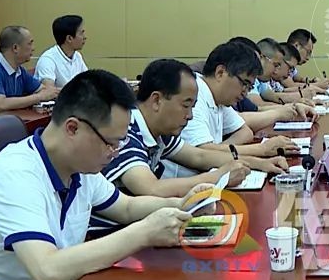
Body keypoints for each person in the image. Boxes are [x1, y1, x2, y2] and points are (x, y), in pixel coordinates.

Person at [0, 70, 213, 280]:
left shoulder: (79, 168)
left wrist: (182, 205)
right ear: (72, 128)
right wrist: (144, 233)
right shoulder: (15, 176)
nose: (115, 153)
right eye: (110, 143)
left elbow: (127, 207)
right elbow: (48, 271)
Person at [90, 60, 253, 234]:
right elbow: (151, 189)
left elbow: (199, 156)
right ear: (156, 100)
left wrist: (258, 162)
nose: (190, 116)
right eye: (185, 106)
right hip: (110, 234)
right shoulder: (126, 132)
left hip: (136, 227)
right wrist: (219, 176)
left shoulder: (160, 132)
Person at [167, 42, 296, 178]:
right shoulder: (194, 93)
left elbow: (244, 131)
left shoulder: (220, 99)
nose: (245, 92)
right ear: (220, 73)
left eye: (249, 87)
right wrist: (261, 150)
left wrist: (219, 151)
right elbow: (201, 154)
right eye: (244, 84)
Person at [35, 14, 89, 88]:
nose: (85, 37)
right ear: (69, 38)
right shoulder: (47, 60)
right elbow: (49, 90)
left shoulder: (77, 56)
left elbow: (88, 82)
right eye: (81, 33)